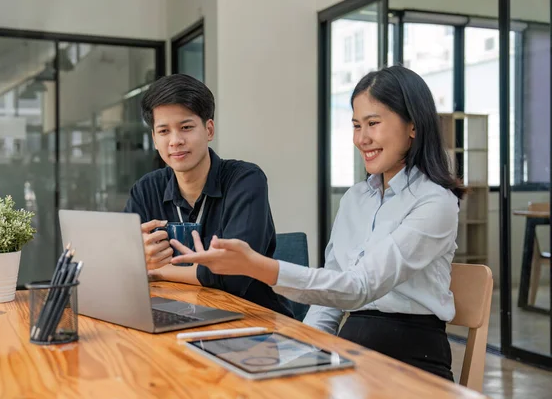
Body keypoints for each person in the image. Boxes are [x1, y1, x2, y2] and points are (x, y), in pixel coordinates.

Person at [168, 65, 465, 381]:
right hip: (352, 349)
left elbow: (359, 288)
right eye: (355, 125)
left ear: (413, 126)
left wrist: (258, 266)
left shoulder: (435, 202)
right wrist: (300, 349)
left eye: (373, 124)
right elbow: (331, 300)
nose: (361, 138)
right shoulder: (355, 199)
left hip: (412, 361)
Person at [124, 74, 293, 317]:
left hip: (252, 324)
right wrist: (134, 259)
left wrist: (154, 270)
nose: (175, 141)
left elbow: (235, 275)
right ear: (154, 139)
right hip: (172, 318)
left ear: (209, 129)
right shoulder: (146, 189)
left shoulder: (245, 180)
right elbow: (118, 267)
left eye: (186, 127)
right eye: (164, 131)